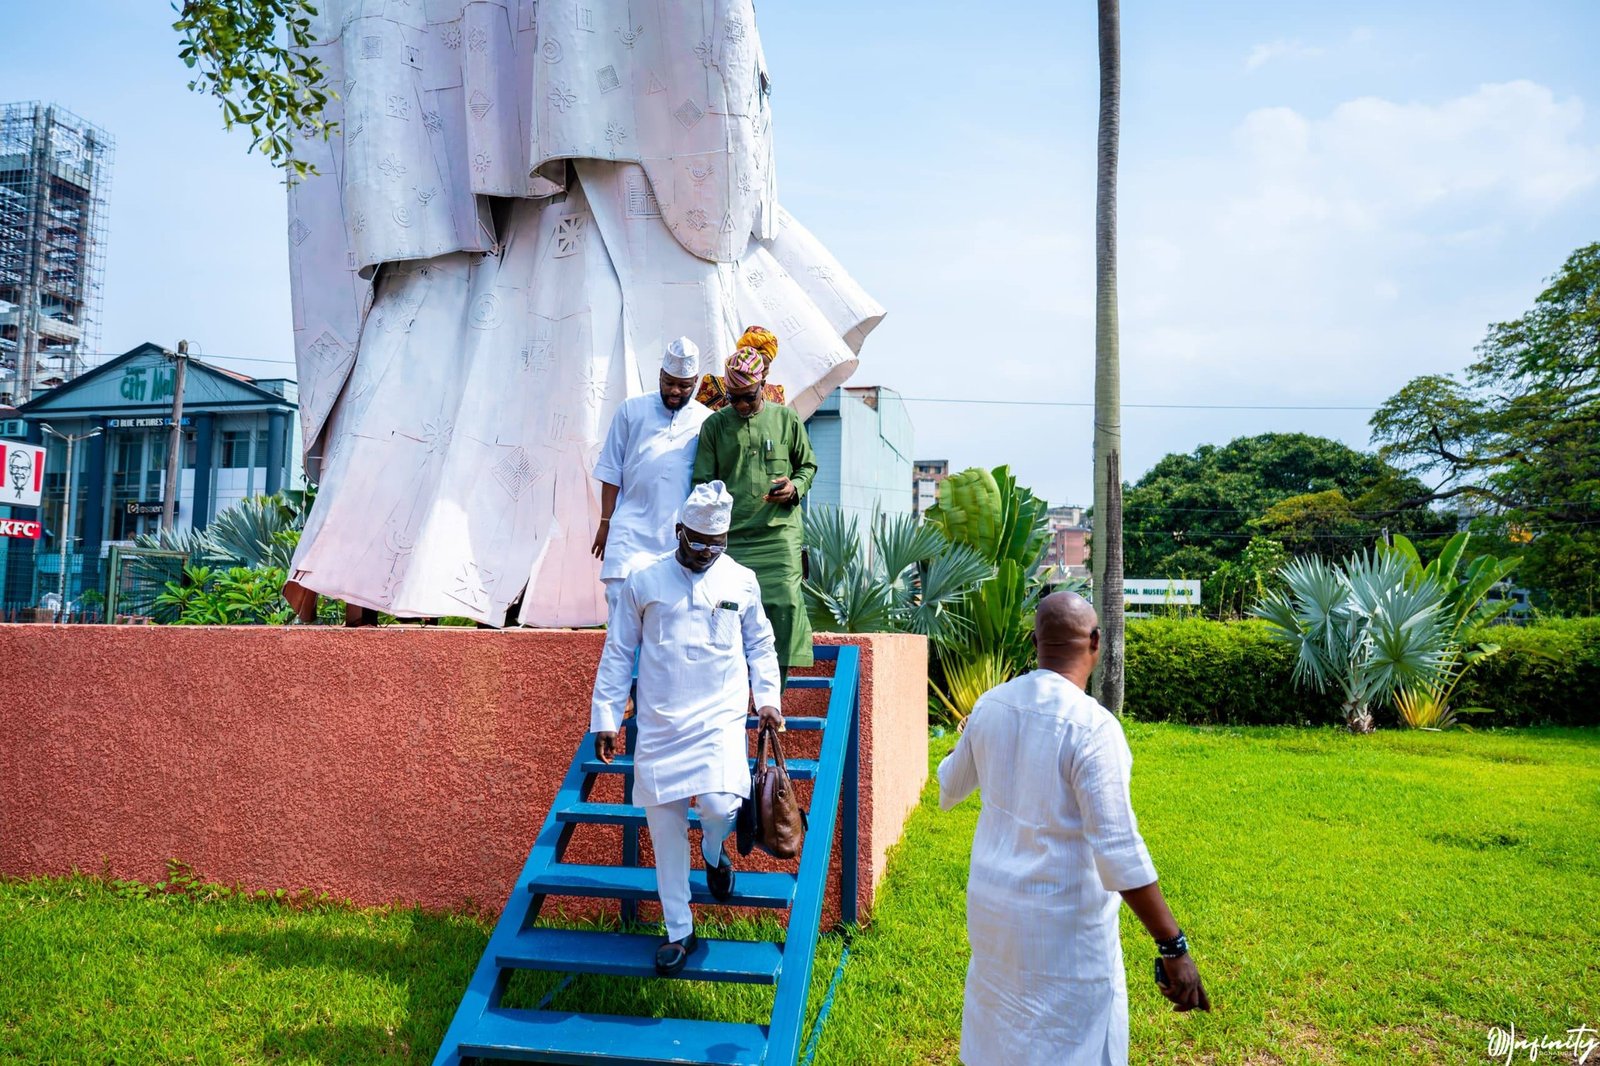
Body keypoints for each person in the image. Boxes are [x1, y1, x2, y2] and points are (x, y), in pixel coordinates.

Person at [938, 591, 1210, 1065]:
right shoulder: (1092, 728)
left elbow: (950, 785)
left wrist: (972, 736)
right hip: (1065, 936)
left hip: (995, 919)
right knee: (1075, 1045)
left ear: (1034, 641)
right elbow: (1119, 851)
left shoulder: (991, 706)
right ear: (1096, 642)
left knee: (999, 1037)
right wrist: (1174, 947)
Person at [589, 480, 784, 975]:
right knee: (666, 832)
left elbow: (760, 644)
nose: (704, 553)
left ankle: (716, 851)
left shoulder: (741, 580)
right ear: (678, 530)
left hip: (718, 720)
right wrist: (607, 718)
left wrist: (767, 699)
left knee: (721, 807)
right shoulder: (645, 580)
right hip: (658, 725)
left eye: (714, 545)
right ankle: (680, 930)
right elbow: (618, 651)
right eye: (696, 542)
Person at [691, 345, 818, 685]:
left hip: (779, 534)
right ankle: (732, 688)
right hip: (732, 539)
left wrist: (795, 486)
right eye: (734, 398)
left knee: (786, 603)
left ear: (763, 385)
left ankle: (775, 692)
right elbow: (702, 482)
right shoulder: (715, 427)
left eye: (748, 397)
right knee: (726, 608)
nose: (742, 406)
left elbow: (807, 465)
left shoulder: (786, 419)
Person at [591, 337, 713, 616]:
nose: (674, 390)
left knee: (667, 619)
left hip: (677, 537)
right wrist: (605, 523)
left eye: (683, 386)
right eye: (668, 382)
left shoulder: (706, 420)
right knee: (620, 607)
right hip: (629, 531)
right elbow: (611, 471)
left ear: (695, 383)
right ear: (660, 375)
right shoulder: (631, 410)